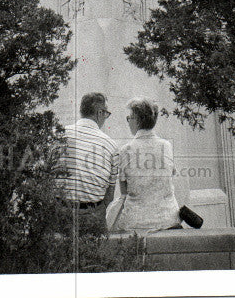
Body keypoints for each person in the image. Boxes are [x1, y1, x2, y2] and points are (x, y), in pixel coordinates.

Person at [108, 97, 181, 234]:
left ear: (136, 119)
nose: (128, 122)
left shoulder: (126, 150)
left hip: (135, 223)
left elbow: (124, 191)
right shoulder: (166, 146)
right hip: (168, 219)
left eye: (129, 118)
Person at [55, 92, 119, 217]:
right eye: (106, 114)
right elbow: (110, 195)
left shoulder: (57, 134)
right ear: (100, 113)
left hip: (57, 212)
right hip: (91, 214)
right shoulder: (111, 145)